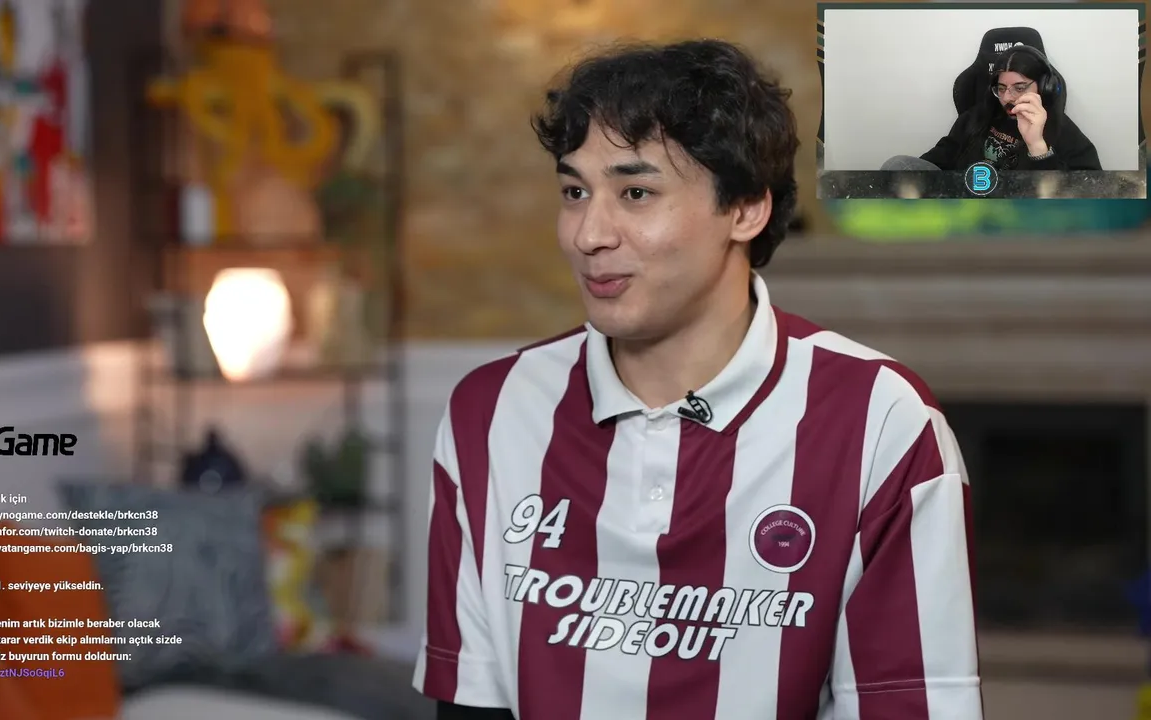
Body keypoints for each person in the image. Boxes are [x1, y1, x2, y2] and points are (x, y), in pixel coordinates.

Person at [415, 39, 983, 720]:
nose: (588, 234)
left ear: (745, 209)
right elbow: (469, 706)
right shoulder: (492, 412)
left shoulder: (882, 422)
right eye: (575, 192)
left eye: (635, 193)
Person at [913, 46, 1101, 171]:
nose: (1007, 98)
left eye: (1019, 88)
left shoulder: (1062, 129)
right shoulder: (979, 114)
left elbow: (1085, 191)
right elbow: (941, 155)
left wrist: (1037, 145)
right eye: (1001, 88)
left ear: (1044, 87)